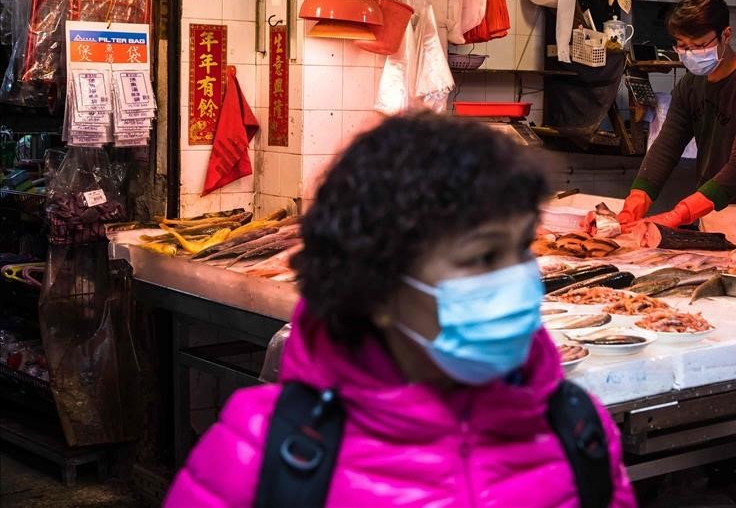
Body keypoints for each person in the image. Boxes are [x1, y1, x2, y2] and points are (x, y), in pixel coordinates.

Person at [165, 113, 636, 508]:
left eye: (521, 251)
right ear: (379, 283)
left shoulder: (577, 429)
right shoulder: (263, 453)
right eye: (482, 258)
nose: (518, 280)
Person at [616, 0, 736, 247]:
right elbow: (667, 145)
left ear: (726, 35)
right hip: (707, 210)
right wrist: (634, 204)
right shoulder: (691, 84)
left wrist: (679, 214)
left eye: (699, 46)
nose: (691, 54)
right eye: (683, 46)